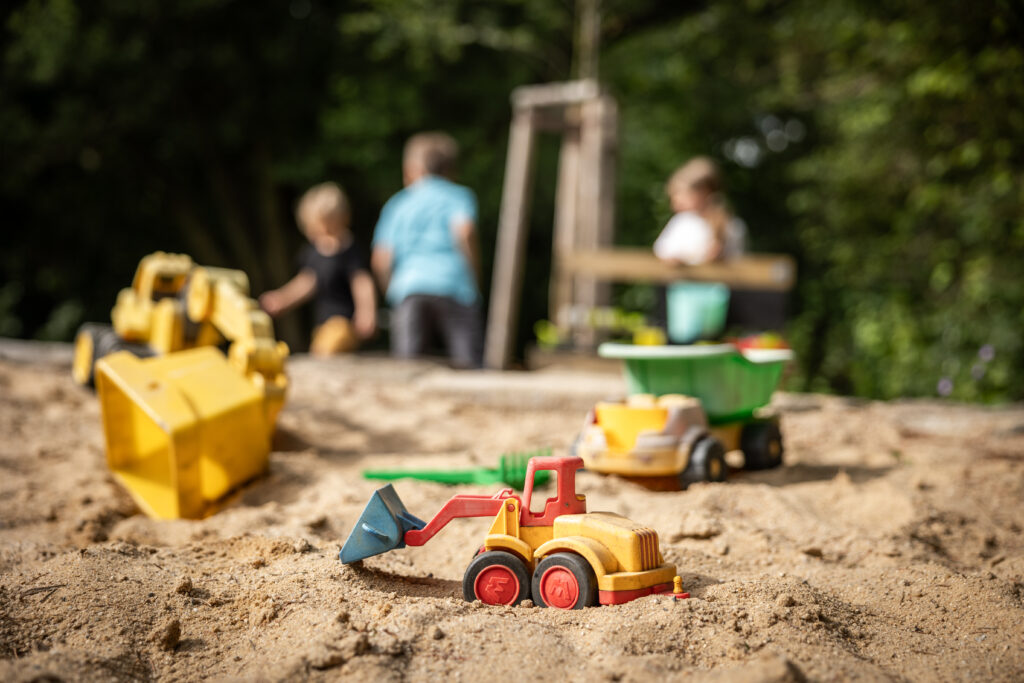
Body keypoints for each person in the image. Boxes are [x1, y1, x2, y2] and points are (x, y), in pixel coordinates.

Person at [371, 132, 483, 368]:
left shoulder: (398, 203)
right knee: (469, 364)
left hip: (409, 286)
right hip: (454, 284)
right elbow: (465, 233)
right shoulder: (459, 196)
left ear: (411, 169)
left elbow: (381, 259)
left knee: (407, 365)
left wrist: (392, 292)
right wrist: (474, 276)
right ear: (451, 169)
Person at [259, 182, 377, 356]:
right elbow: (306, 283)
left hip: (344, 323)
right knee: (321, 347)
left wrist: (367, 312)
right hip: (322, 325)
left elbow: (361, 282)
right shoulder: (313, 253)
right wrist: (281, 299)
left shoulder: (349, 250)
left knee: (327, 347)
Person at [653, 156, 747, 265]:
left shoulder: (730, 226)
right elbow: (662, 251)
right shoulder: (683, 221)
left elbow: (737, 260)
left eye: (681, 194)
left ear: (703, 192)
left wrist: (719, 256)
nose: (676, 201)